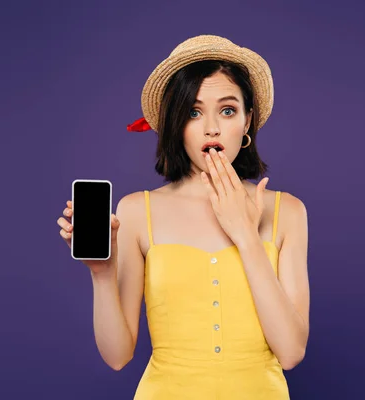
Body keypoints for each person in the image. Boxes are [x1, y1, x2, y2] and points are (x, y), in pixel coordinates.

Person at [57, 35, 310, 399]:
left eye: (227, 110)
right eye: (193, 112)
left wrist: (245, 235)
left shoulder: (287, 211)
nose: (211, 128)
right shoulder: (135, 210)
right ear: (176, 124)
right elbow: (117, 357)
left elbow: (291, 352)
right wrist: (101, 273)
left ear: (247, 121)